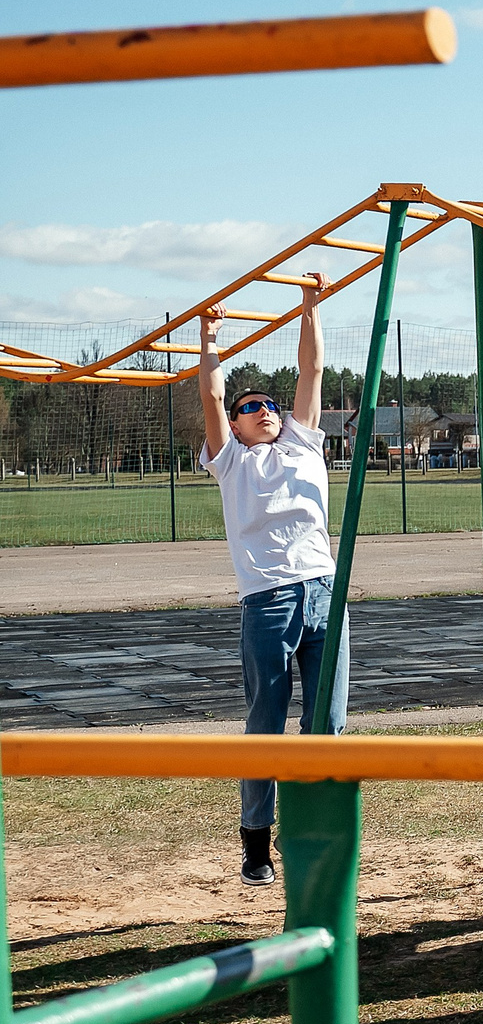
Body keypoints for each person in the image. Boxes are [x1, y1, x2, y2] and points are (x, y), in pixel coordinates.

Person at [197, 275, 345, 886]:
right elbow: (209, 397)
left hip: (323, 591)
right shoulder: (232, 460)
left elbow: (310, 374)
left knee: (328, 721)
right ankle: (255, 840)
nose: (265, 412)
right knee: (266, 717)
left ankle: (316, 831)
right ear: (234, 424)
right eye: (250, 407)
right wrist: (210, 337)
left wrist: (310, 308)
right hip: (268, 597)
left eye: (269, 406)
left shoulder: (305, 443)